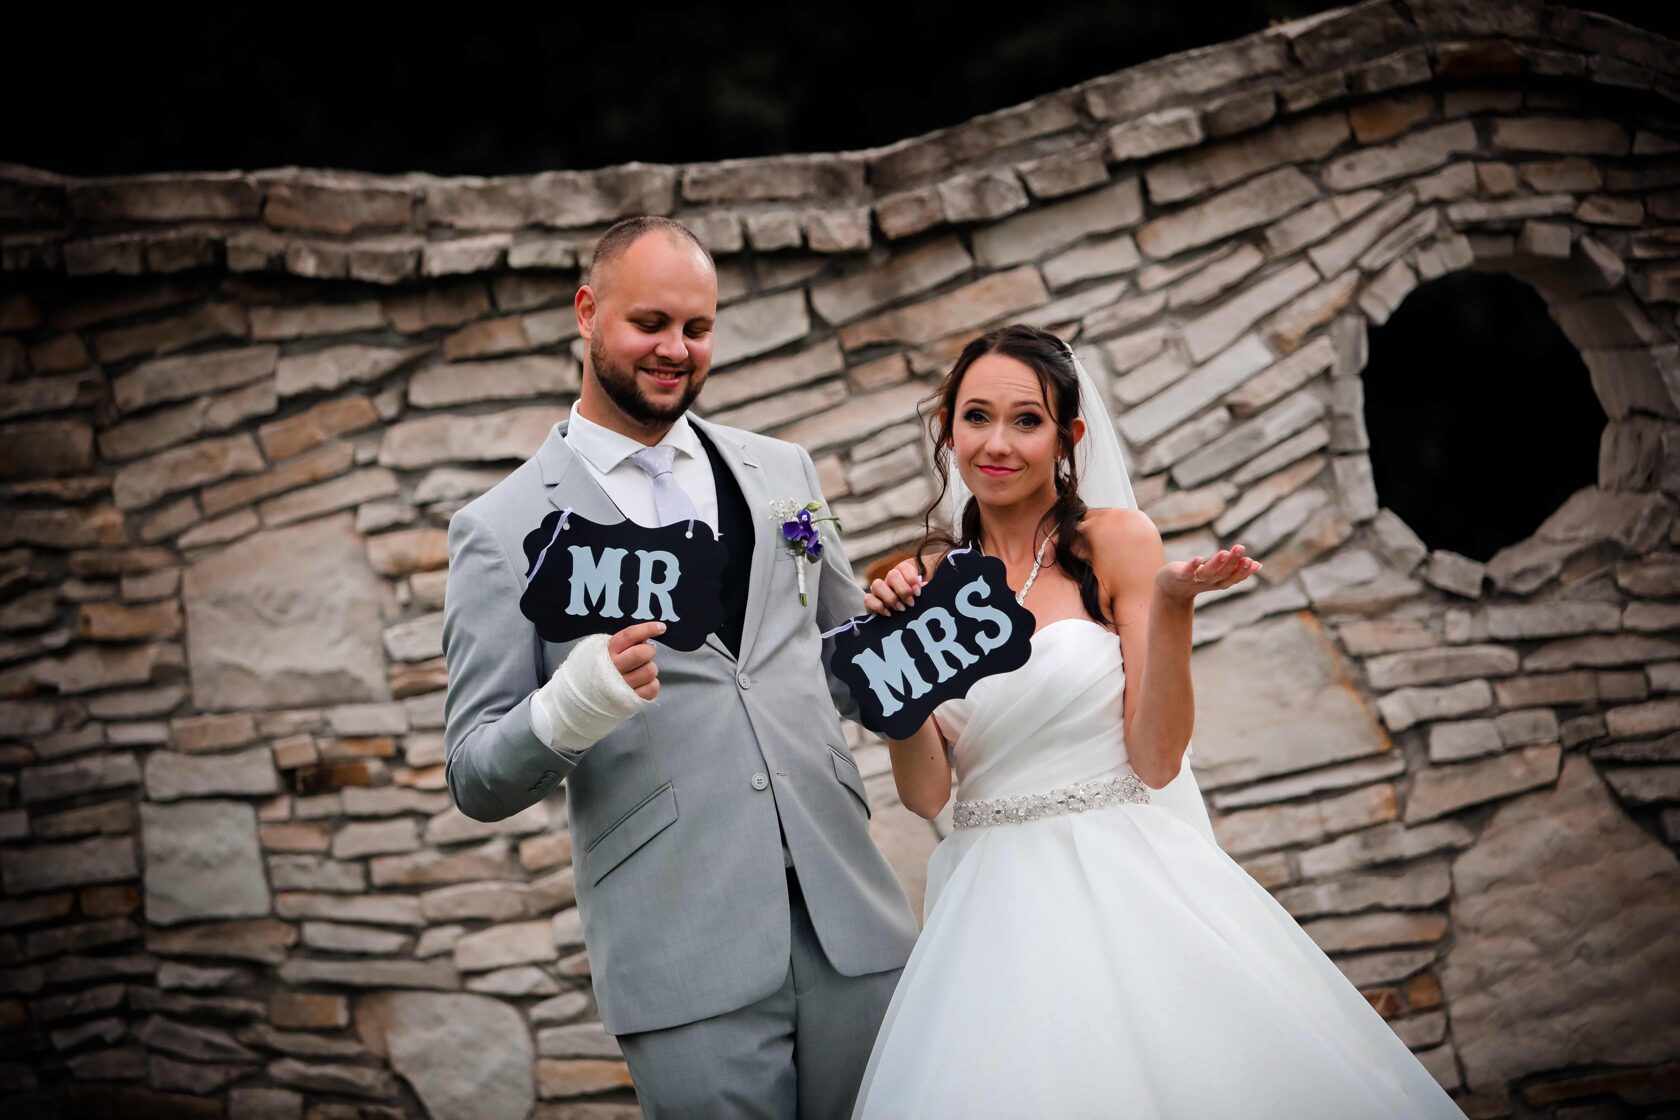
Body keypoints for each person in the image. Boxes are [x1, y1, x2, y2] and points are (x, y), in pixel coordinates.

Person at [849, 324, 1463, 1119]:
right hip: (989, 904)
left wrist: (1173, 606)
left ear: (1069, 438)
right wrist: (891, 674)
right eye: (976, 417)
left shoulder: (1115, 542)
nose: (997, 443)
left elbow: (1158, 758)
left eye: (1027, 420)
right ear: (948, 428)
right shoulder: (922, 584)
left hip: (1122, 872)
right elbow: (928, 796)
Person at [441, 216, 918, 1119]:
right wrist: (575, 703)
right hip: (683, 956)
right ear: (588, 312)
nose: (676, 349)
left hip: (854, 924)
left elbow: (844, 662)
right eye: (650, 323)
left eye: (697, 328)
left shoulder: (782, 471)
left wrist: (915, 622)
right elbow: (474, 775)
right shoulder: (499, 529)